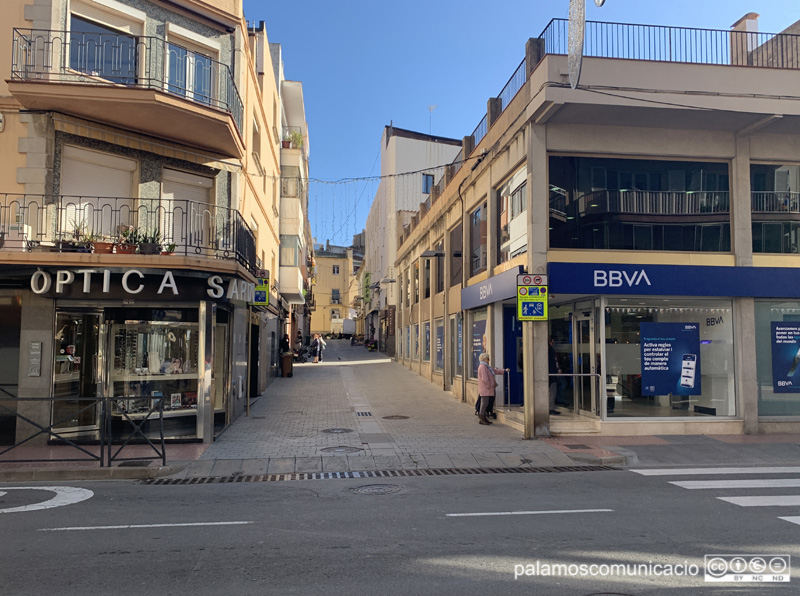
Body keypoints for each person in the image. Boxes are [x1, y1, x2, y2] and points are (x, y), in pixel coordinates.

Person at [477, 353, 508, 426]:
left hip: (487, 388)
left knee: (485, 403)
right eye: (488, 359)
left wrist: (504, 370)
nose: (489, 360)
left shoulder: (486, 367)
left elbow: (494, 371)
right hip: (486, 388)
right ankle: (482, 418)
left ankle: (483, 418)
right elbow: (485, 379)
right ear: (484, 359)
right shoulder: (483, 367)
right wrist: (490, 385)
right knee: (484, 404)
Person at [548, 336, 562, 416]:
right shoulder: (550, 350)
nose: (553, 344)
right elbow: (553, 362)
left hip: (550, 373)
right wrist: (557, 370)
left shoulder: (547, 350)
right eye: (553, 342)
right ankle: (551, 408)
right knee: (552, 391)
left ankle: (550, 407)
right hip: (552, 374)